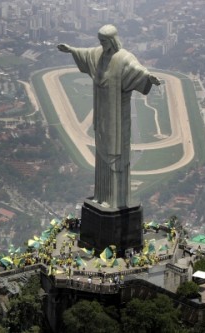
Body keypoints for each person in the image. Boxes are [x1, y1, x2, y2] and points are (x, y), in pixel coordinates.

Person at [58, 24, 161, 208]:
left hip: (117, 118)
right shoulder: (98, 54)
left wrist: (149, 78)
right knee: (101, 156)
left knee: (116, 155)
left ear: (113, 40)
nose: (102, 44)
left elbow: (138, 70)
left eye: (104, 41)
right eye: (100, 41)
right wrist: (71, 50)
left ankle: (116, 200)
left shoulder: (123, 58)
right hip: (102, 115)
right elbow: (86, 54)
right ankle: (101, 197)